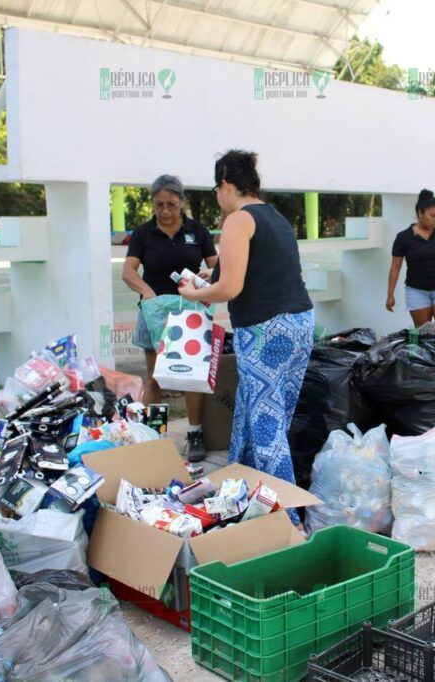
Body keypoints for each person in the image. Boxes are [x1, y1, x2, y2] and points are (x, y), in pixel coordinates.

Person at [178, 150, 314, 524]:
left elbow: (231, 288)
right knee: (254, 415)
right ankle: (240, 497)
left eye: (215, 189)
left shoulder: (238, 220)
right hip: (299, 325)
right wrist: (209, 282)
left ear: (225, 183)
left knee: (268, 430)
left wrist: (194, 294)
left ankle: (289, 525)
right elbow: (251, 274)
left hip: (265, 331)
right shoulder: (276, 217)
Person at [122, 174, 218, 462]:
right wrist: (147, 292)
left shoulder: (197, 231)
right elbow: (128, 272)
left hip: (188, 312)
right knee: (154, 377)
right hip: (153, 312)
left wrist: (210, 275)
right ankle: (155, 437)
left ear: (182, 203)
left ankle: (194, 433)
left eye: (172, 205)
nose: (165, 212)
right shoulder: (143, 233)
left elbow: (217, 266)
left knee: (191, 376)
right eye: (159, 205)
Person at [386, 189, 435, 325]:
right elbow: (395, 268)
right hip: (417, 292)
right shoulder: (404, 237)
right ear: (420, 213)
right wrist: (390, 294)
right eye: (432, 216)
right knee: (424, 336)